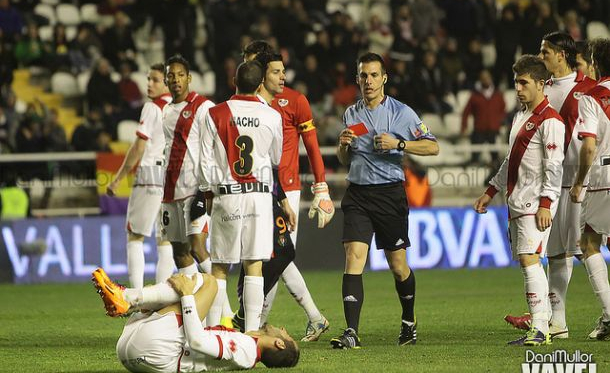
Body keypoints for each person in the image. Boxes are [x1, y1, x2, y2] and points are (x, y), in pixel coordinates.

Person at [332, 52, 439, 349]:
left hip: (390, 194)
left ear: (384, 79)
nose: (368, 81)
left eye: (374, 75)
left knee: (398, 265)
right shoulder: (350, 114)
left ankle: (408, 321)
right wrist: (342, 147)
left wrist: (399, 143)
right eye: (364, 75)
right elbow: (344, 160)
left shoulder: (401, 113)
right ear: (357, 79)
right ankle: (351, 332)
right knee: (353, 256)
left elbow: (434, 148)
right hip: (358, 193)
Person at [504, 32, 596, 339]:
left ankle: (551, 322)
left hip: (575, 182)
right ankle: (552, 321)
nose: (541, 57)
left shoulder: (582, 91)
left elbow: (562, 157)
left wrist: (549, 199)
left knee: (582, 249)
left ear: (561, 55)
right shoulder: (531, 103)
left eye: (545, 53)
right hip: (540, 189)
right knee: (555, 253)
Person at [242, 40, 334, 341]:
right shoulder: (244, 103)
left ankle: (254, 325)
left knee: (276, 255)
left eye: (254, 62)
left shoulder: (295, 101)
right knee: (268, 256)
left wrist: (321, 188)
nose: (250, 68)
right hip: (254, 188)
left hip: (287, 189)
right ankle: (312, 317)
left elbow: (312, 147)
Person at [474, 55, 564, 346]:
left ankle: (540, 328)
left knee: (529, 259)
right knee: (528, 261)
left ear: (541, 84)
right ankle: (543, 320)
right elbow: (510, 160)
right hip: (516, 201)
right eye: (516, 82)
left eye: (524, 82)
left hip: (535, 203)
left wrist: (547, 203)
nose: (518, 88)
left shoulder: (551, 121)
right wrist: (491, 191)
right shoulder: (521, 115)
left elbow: (554, 166)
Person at [199, 60, 283, 333]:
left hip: (227, 195)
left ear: (234, 81)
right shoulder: (272, 115)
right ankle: (252, 334)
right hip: (259, 196)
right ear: (260, 85)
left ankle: (214, 334)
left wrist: (207, 191)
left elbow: (205, 162)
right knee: (254, 266)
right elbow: (276, 157)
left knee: (220, 268)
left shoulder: (215, 113)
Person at [91, 268, 300, 371]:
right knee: (189, 290)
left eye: (286, 334)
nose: (282, 328)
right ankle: (128, 299)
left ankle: (127, 297)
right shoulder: (245, 345)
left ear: (279, 343)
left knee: (208, 283)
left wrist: (187, 295)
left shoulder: (246, 348)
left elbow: (197, 341)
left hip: (156, 351)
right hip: (136, 354)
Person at [107, 63, 175, 289]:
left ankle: (135, 296)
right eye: (148, 79)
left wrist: (118, 179)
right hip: (172, 177)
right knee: (165, 240)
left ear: (167, 82)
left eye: (155, 80)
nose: (149, 84)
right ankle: (162, 296)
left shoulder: (152, 108)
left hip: (150, 174)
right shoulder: (177, 108)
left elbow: (138, 146)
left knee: (134, 236)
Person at [570, 38, 610, 341]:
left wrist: (581, 180)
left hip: (603, 177)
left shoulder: (592, 96)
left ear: (595, 62)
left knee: (588, 242)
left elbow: (588, 146)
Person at [160, 55, 214, 281]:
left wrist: (207, 188)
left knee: (197, 249)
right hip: (170, 191)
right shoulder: (166, 110)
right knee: (180, 254)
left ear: (189, 78)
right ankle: (193, 312)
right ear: (166, 80)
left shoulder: (203, 106)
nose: (176, 79)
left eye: (180, 75)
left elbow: (213, 145)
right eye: (171, 75)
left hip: (194, 189)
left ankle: (225, 309)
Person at [461, 69, 506, 164]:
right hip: (479, 130)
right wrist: (464, 127)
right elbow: (466, 112)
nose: (485, 80)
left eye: (487, 78)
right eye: (483, 78)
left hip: (494, 130)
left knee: (496, 159)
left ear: (491, 78)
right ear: (480, 80)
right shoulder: (474, 96)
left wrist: (500, 122)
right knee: (475, 157)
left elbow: (503, 110)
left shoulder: (498, 95)